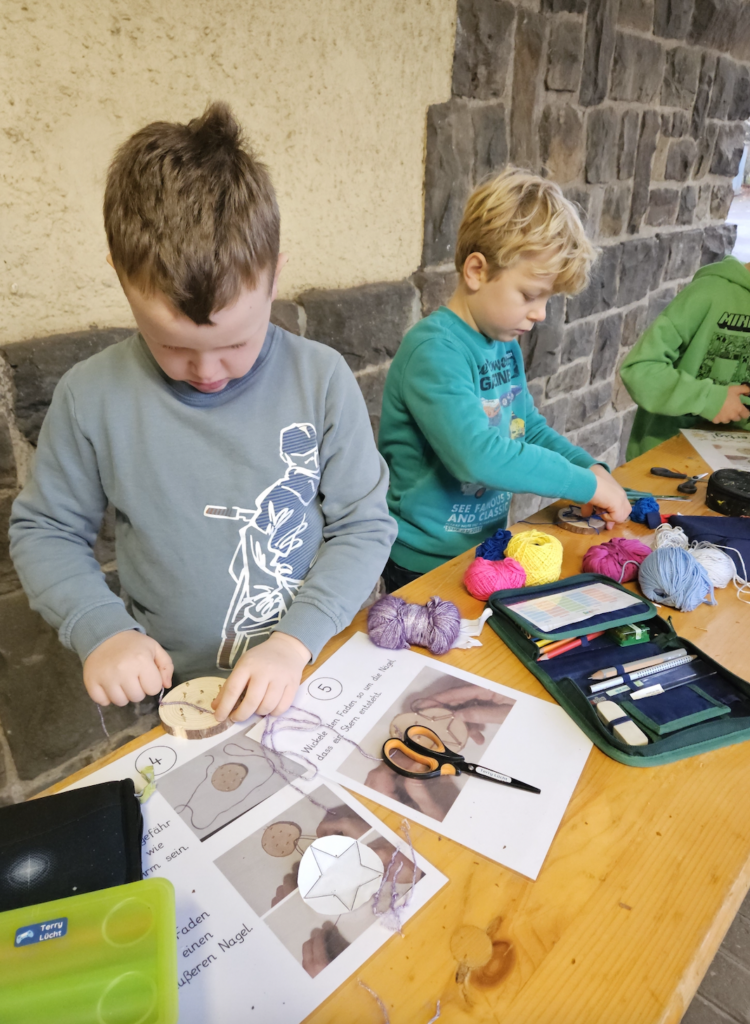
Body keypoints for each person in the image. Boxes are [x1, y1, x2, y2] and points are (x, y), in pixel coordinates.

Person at [9, 102, 395, 722]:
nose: (208, 371)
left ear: (275, 276)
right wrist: (101, 629)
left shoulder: (321, 379)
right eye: (172, 347)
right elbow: (46, 531)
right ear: (120, 278)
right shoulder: (90, 396)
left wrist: (293, 644)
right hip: (174, 697)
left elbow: (363, 527)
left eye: (236, 343)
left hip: (310, 671)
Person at [377, 167, 632, 590]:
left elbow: (526, 428)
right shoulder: (434, 351)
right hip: (424, 562)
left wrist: (589, 468)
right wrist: (584, 486)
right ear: (477, 271)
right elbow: (477, 457)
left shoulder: (502, 342)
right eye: (530, 295)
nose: (540, 313)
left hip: (486, 548)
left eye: (547, 298)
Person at [620, 251, 750, 459]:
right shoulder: (709, 292)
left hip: (736, 463)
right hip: (664, 460)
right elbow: (639, 370)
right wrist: (709, 399)